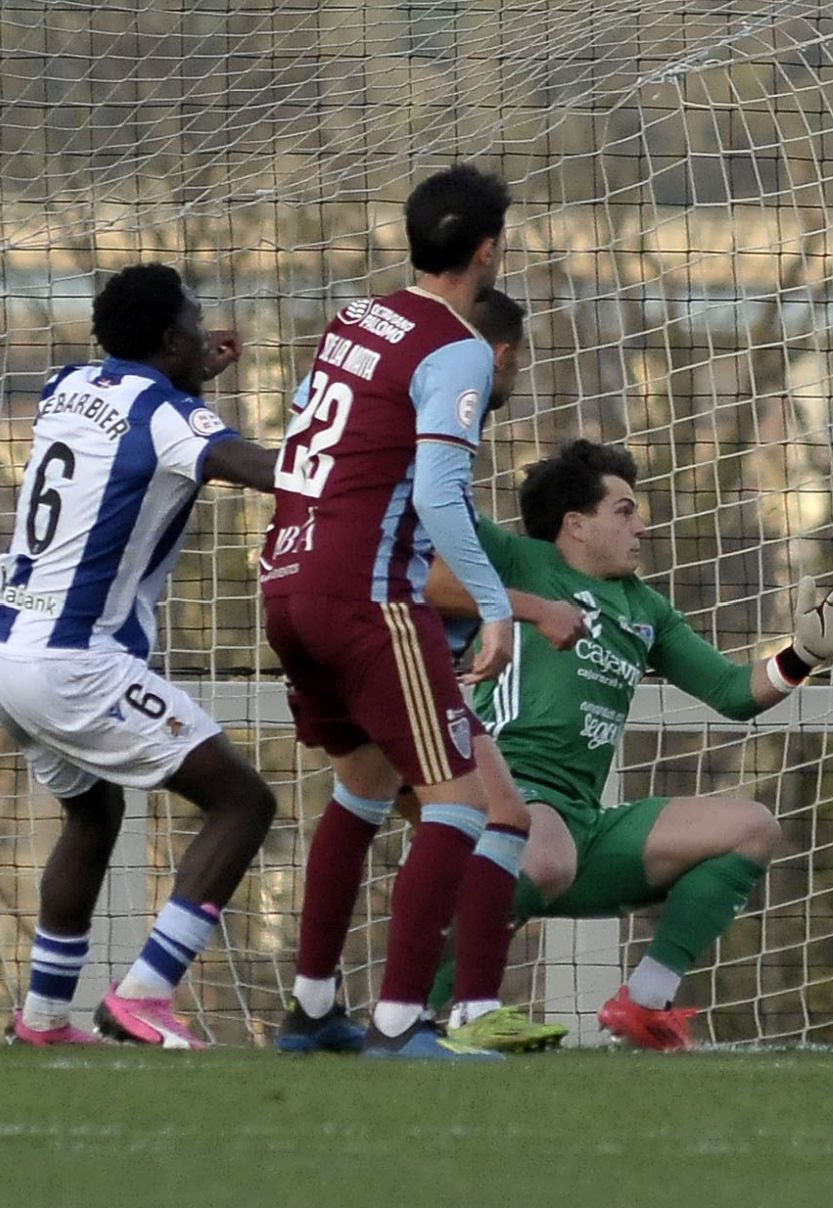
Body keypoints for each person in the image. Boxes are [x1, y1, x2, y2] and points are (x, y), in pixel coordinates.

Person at [420, 438, 833, 1050]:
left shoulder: (647, 609)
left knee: (752, 826)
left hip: (582, 826)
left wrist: (803, 655)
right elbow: (429, 523)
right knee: (545, 850)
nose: (642, 525)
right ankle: (422, 1017)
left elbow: (732, 692)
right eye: (625, 510)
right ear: (575, 526)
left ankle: (642, 1006)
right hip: (506, 798)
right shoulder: (517, 560)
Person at [261, 165, 575, 1060]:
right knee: (466, 804)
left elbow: (299, 446)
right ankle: (402, 1022)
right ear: (488, 249)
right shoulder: (462, 344)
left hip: (287, 581)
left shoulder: (355, 319)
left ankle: (314, 1006)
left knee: (360, 789)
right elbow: (439, 495)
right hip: (367, 596)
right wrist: (495, 605)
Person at [0, 263, 281, 1049]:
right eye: (194, 321)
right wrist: (353, 461)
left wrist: (185, 373)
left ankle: (43, 1018)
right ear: (175, 339)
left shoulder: (64, 387)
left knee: (94, 808)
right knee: (243, 802)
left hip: (3, 649)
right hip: (72, 662)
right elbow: (258, 470)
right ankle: (145, 992)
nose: (207, 329)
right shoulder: (171, 415)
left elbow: (143, 418)